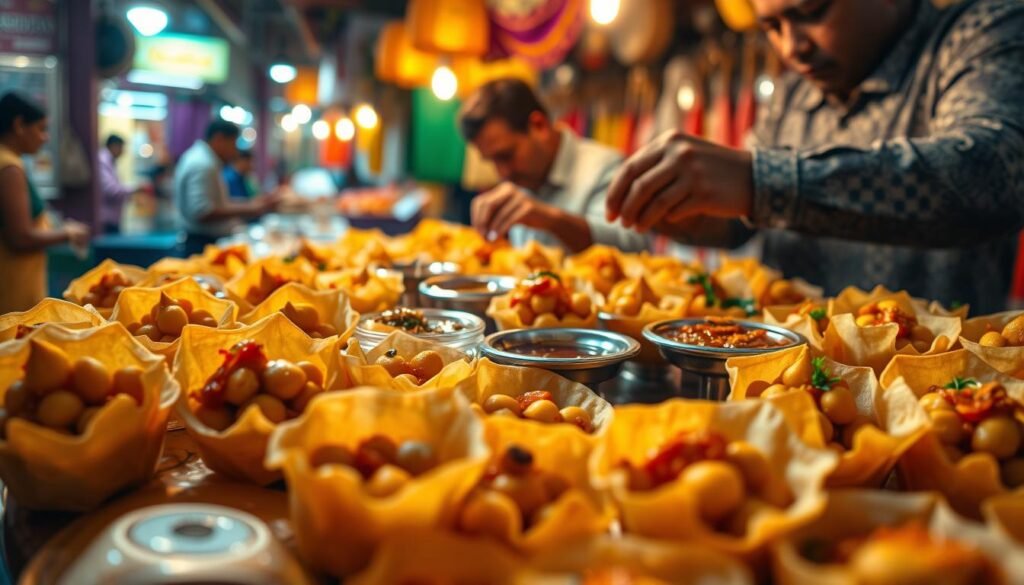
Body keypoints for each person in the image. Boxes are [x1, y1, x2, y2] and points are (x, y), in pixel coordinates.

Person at [605, 0, 1024, 314]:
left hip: (946, 403)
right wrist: (695, 212)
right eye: (772, 26)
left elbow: (991, 173)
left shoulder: (982, 33)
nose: (792, 47)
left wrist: (759, 181)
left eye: (812, 12)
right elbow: (747, 217)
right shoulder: (792, 96)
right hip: (791, 389)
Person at [459, 78, 648, 253]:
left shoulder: (606, 168)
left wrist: (550, 220)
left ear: (539, 125)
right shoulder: (523, 178)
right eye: (492, 161)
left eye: (506, 156)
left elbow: (633, 247)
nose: (503, 172)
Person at [0, 92, 90, 313]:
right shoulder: (9, 167)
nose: (45, 137)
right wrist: (68, 233)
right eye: (41, 129)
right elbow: (20, 237)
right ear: (19, 125)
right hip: (13, 290)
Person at [174, 120, 279, 255]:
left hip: (205, 241)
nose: (235, 151)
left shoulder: (205, 160)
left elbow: (216, 204)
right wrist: (250, 208)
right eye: (233, 143)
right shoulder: (203, 164)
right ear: (219, 139)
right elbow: (202, 211)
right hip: (201, 244)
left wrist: (252, 204)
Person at [98, 134, 135, 234]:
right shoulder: (103, 161)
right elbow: (111, 190)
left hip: (111, 217)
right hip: (106, 218)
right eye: (122, 147)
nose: (123, 151)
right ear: (114, 146)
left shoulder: (108, 161)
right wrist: (135, 189)